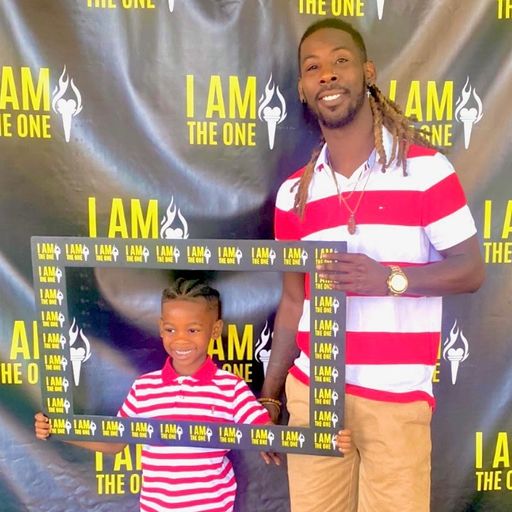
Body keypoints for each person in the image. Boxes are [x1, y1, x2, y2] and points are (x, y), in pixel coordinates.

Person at [259, 18, 485, 512]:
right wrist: (272, 396)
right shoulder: (294, 194)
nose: (327, 74)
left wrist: (390, 279)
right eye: (312, 67)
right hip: (313, 396)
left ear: (367, 72)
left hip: (395, 400)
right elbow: (294, 300)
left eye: (340, 61)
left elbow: (471, 269)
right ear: (302, 88)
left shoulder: (425, 170)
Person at [35, 278, 284, 512]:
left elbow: (263, 429)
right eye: (171, 329)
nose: (180, 339)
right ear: (161, 328)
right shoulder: (144, 388)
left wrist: (269, 437)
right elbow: (114, 442)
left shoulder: (230, 388)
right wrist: (59, 428)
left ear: (215, 329)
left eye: (193, 330)